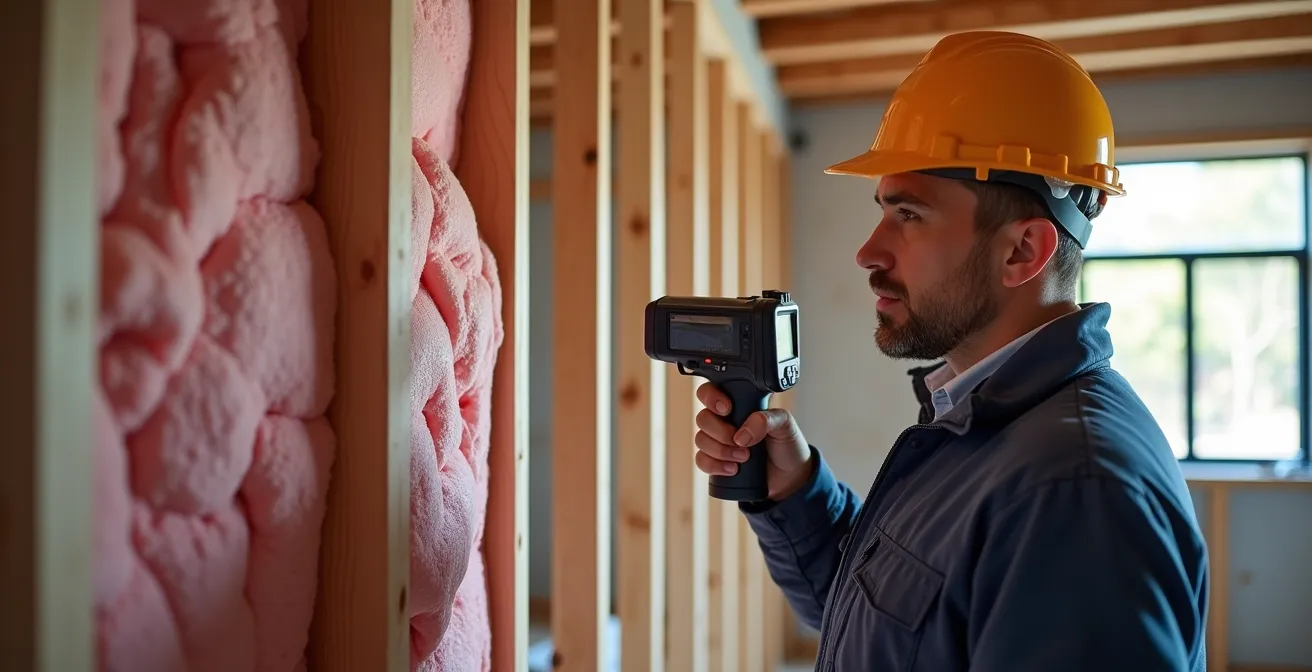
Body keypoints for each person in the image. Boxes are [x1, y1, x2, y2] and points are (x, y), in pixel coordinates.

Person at [693, 30, 1209, 671]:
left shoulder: (1075, 495)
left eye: (908, 214)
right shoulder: (978, 421)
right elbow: (880, 630)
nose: (868, 252)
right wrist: (795, 490)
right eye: (883, 209)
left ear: (1023, 250)